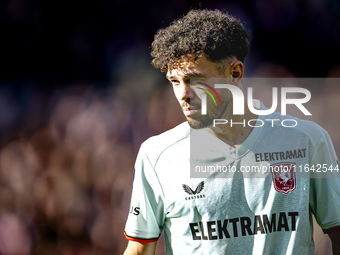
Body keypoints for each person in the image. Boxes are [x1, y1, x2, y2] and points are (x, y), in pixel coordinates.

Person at [123, 9, 340, 254]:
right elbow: (140, 249)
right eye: (175, 81)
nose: (183, 94)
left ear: (235, 73)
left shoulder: (307, 140)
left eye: (195, 80)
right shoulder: (157, 155)